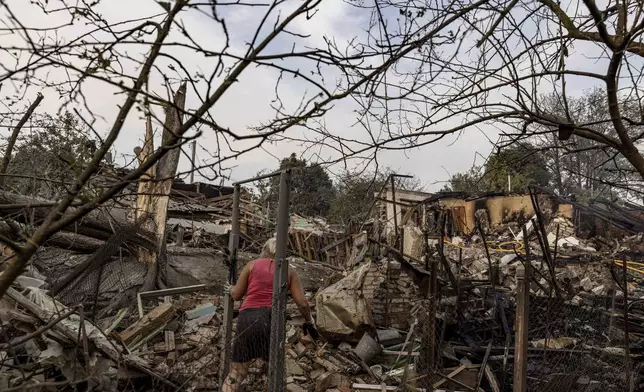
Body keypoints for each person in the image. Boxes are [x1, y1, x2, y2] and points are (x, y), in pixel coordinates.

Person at [222, 238, 317, 392]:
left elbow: (237, 294)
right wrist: (309, 320)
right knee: (274, 371)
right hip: (271, 321)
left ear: (264, 250)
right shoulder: (288, 271)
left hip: (247, 319)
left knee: (236, 373)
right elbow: (302, 303)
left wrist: (230, 289)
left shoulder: (251, 265)